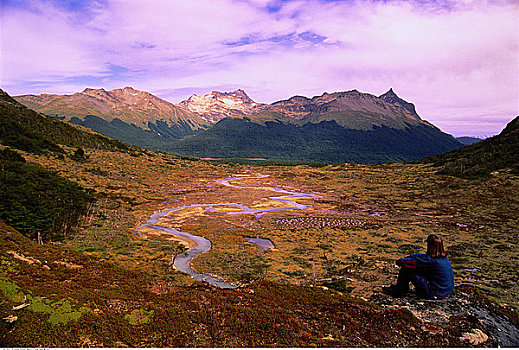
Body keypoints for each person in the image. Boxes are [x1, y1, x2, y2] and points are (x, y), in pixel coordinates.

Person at [383, 234, 454, 299]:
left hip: (435, 294)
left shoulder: (429, 261)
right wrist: (411, 256)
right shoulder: (444, 258)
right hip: (445, 292)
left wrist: (400, 260)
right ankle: (401, 290)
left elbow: (407, 263)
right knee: (419, 269)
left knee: (406, 269)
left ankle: (400, 292)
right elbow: (421, 257)